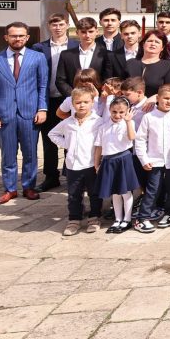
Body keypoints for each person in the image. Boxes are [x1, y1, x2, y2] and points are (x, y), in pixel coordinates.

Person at [0, 22, 48, 204]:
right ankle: (10, 189)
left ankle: (29, 187)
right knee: (8, 154)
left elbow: (42, 85)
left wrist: (42, 108)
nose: (17, 38)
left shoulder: (38, 58)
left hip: (30, 114)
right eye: (13, 36)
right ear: (6, 37)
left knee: (30, 153)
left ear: (27, 37)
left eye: (21, 35)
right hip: (4, 115)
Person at [49, 87, 103, 235]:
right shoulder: (68, 122)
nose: (82, 105)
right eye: (78, 102)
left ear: (92, 103)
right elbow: (52, 134)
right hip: (73, 165)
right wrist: (67, 144)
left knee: (94, 193)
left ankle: (94, 218)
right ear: (72, 104)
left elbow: (102, 141)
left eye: (86, 102)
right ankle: (74, 219)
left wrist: (99, 160)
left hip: (91, 164)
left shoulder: (98, 122)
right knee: (74, 194)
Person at [132, 83, 170, 232]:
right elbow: (140, 140)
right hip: (154, 160)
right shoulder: (149, 117)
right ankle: (142, 218)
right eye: (166, 98)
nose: (169, 101)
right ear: (158, 98)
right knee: (152, 189)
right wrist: (144, 159)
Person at [33, 13, 76, 191]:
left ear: (67, 25)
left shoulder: (75, 45)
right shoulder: (38, 48)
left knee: (72, 137)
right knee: (49, 138)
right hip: (48, 99)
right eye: (54, 24)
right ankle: (51, 176)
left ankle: (71, 175)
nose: (57, 28)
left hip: (71, 98)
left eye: (61, 24)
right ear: (49, 26)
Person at [94, 95, 138, 233]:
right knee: (115, 192)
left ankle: (127, 219)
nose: (117, 115)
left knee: (125, 192)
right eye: (114, 112)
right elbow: (99, 146)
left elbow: (132, 137)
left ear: (127, 112)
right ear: (110, 110)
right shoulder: (103, 127)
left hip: (123, 159)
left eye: (121, 112)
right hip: (108, 161)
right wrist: (97, 164)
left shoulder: (128, 124)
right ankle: (118, 219)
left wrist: (128, 121)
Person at [125, 30, 170, 99]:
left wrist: (155, 98)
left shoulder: (168, 65)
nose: (153, 44)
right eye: (150, 41)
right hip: (130, 104)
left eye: (157, 42)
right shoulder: (130, 63)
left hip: (155, 104)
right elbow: (121, 86)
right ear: (143, 44)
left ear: (162, 47)